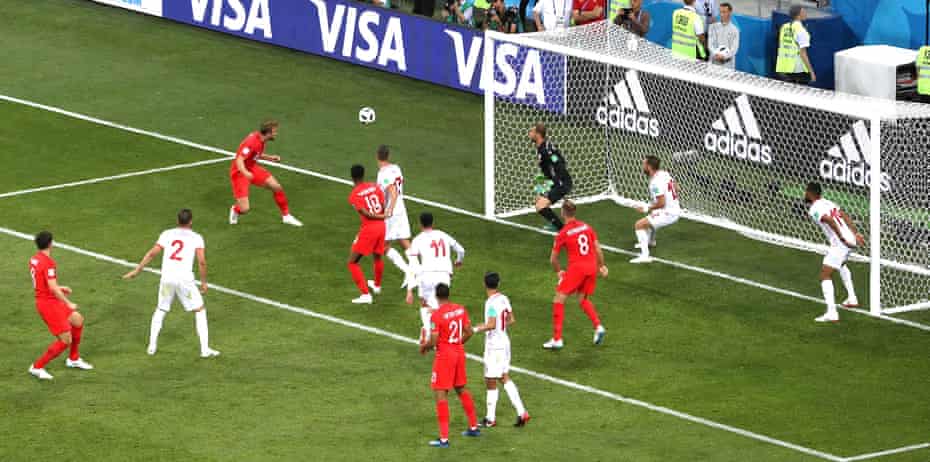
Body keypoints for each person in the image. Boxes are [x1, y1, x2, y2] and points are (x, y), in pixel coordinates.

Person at [123, 209, 219, 358]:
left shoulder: (167, 234)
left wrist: (137, 270)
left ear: (177, 220)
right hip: (185, 280)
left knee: (161, 309)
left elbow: (152, 253)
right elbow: (201, 261)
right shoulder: (196, 238)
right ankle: (205, 350)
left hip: (167, 278)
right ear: (191, 221)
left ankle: (152, 346)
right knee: (200, 310)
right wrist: (204, 283)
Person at [420, 283, 480, 448]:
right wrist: (457, 343)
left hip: (445, 356)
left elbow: (433, 340)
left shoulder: (436, 316)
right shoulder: (460, 309)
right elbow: (469, 331)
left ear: (436, 296)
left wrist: (425, 346)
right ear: (448, 294)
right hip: (459, 353)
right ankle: (474, 427)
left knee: (441, 394)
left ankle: (444, 439)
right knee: (461, 388)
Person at [27, 231, 93, 380]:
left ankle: (73, 359)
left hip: (48, 299)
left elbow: (42, 282)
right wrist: (68, 302)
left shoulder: (34, 259)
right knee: (65, 340)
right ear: (50, 244)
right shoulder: (49, 263)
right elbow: (51, 287)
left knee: (78, 320)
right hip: (48, 304)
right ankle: (37, 367)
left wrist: (60, 288)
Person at [544, 200, 608, 350]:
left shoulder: (563, 233)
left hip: (577, 269)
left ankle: (557, 339)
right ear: (574, 212)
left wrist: (559, 271)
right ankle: (598, 327)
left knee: (558, 299)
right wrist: (602, 266)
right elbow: (598, 249)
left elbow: (553, 259)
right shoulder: (587, 227)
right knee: (582, 299)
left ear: (562, 213)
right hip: (591, 267)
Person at [472, 272, 530, 428]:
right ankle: (522, 412)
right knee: (503, 377)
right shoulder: (504, 299)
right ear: (498, 284)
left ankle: (490, 418)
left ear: (485, 284)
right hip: (504, 341)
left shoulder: (490, 303)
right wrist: (499, 326)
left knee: (490, 380)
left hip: (495, 345)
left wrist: (476, 329)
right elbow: (511, 319)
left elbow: (490, 324)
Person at [804, 182, 864, 322]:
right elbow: (843, 215)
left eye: (806, 191)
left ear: (811, 193)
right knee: (841, 265)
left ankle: (832, 313)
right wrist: (856, 233)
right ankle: (852, 298)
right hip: (850, 238)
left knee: (825, 274)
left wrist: (841, 237)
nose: (805, 194)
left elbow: (830, 220)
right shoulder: (828, 202)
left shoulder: (814, 209)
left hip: (841, 243)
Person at [228, 120, 303, 227]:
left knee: (276, 187)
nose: (276, 134)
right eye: (274, 132)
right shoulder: (252, 142)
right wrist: (245, 173)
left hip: (252, 168)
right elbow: (239, 160)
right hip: (240, 173)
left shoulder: (261, 139)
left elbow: (255, 154)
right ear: (268, 133)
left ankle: (286, 216)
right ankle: (235, 210)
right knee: (245, 208)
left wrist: (270, 158)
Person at [406, 212, 466, 344]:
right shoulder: (442, 235)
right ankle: (433, 332)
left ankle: (428, 331)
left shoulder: (417, 240)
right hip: (444, 275)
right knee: (439, 305)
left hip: (426, 275)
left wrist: (409, 290)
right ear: (433, 223)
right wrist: (459, 260)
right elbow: (461, 250)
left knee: (425, 304)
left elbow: (412, 265)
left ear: (420, 224)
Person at [347, 164, 387, 305]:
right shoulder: (375, 187)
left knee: (352, 262)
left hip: (370, 229)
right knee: (377, 256)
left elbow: (365, 213)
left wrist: (379, 217)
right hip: (382, 227)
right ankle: (377, 286)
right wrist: (383, 217)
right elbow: (382, 205)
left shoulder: (354, 195)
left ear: (352, 177)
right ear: (364, 174)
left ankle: (365, 295)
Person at [375, 145, 414, 289]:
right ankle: (417, 270)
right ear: (388, 155)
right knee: (404, 240)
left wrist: (389, 209)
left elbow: (392, 191)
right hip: (401, 208)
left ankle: (409, 272)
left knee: (383, 245)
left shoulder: (383, 173)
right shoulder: (396, 168)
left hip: (391, 211)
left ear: (377, 156)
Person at [631, 156, 680, 264]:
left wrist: (646, 207)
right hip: (674, 209)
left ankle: (645, 256)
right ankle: (651, 242)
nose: (642, 167)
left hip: (669, 213)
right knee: (653, 215)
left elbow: (661, 203)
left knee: (639, 225)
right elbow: (676, 188)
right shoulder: (664, 173)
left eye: (644, 164)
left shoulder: (655, 183)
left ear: (649, 167)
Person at [529, 123, 572, 231]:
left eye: (532, 132)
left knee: (540, 206)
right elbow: (548, 169)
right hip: (555, 181)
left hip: (560, 182)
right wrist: (541, 189)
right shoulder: (544, 147)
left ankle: (562, 229)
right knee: (538, 200)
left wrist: (557, 181)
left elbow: (558, 162)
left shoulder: (545, 151)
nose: (529, 134)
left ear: (538, 134)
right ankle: (557, 223)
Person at [775, 4, 816, 85]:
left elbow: (781, 45)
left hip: (783, 68)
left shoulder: (784, 27)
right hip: (797, 70)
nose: (806, 14)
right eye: (804, 11)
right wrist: (812, 72)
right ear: (799, 14)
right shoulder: (801, 30)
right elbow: (803, 53)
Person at [708, 2, 739, 69]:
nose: (721, 14)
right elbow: (710, 44)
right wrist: (716, 54)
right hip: (713, 65)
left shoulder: (735, 30)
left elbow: (734, 49)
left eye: (724, 12)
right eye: (720, 12)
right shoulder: (713, 27)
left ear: (730, 12)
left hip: (728, 67)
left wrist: (724, 56)